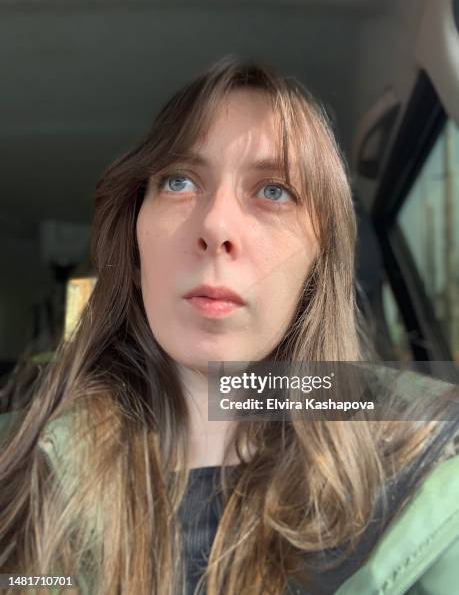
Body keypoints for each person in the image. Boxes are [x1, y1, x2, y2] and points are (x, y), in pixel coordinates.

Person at [0, 55, 458, 595]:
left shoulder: (428, 481)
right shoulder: (16, 465)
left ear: (320, 259)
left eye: (273, 191)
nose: (216, 224)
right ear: (136, 238)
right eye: (177, 181)